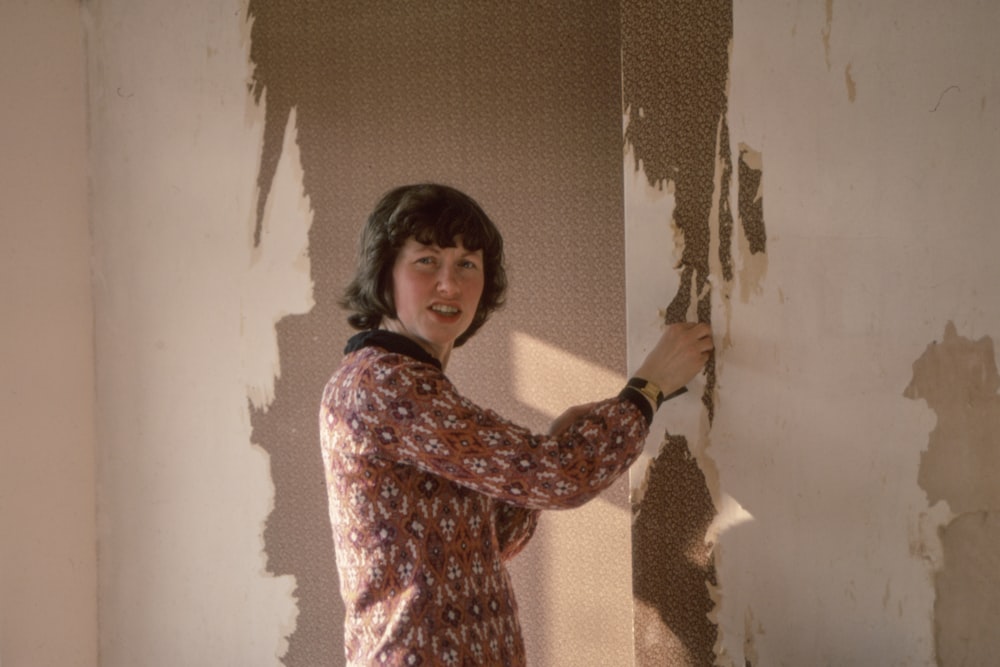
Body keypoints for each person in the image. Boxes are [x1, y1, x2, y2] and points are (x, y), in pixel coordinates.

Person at [319, 183, 713, 666]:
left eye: (467, 264)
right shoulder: (386, 384)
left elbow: (492, 540)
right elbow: (559, 478)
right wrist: (648, 389)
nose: (450, 283)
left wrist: (550, 443)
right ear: (385, 274)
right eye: (427, 261)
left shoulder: (402, 380)